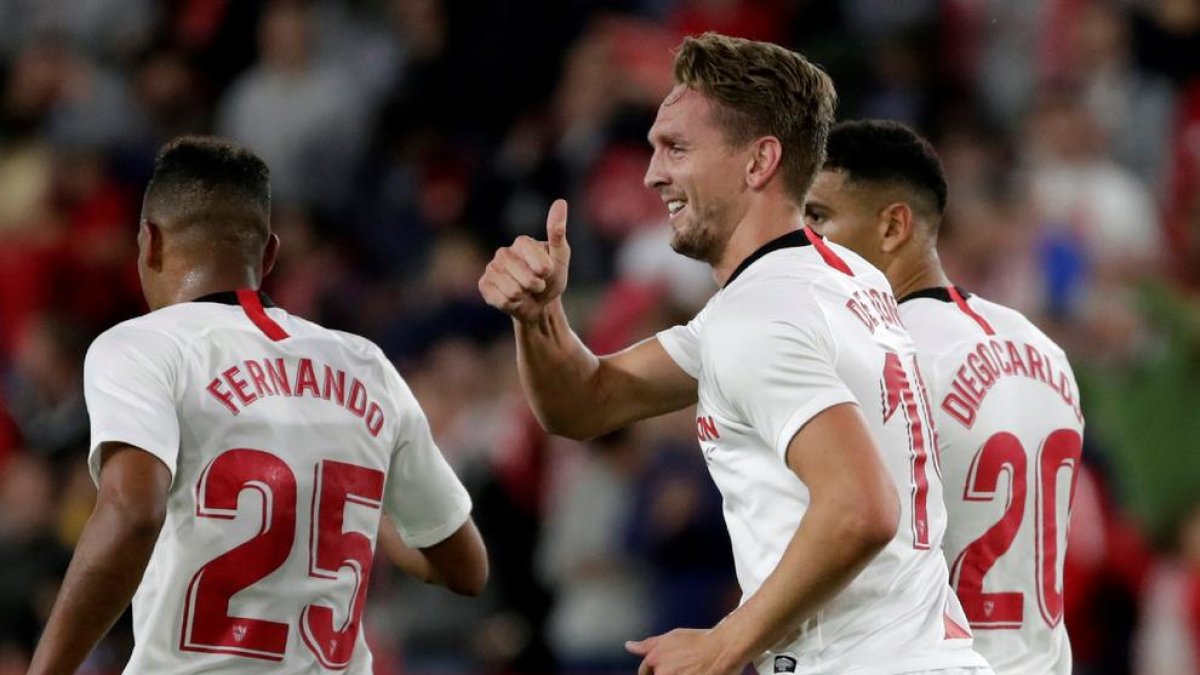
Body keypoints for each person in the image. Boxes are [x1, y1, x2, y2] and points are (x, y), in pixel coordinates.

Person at [479, 33, 990, 675]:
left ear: (758, 162)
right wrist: (539, 316)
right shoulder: (837, 279)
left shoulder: (760, 316)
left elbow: (861, 508)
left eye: (677, 148)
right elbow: (585, 404)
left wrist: (725, 643)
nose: (652, 174)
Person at [28, 136, 487, 675]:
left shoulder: (142, 346)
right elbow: (466, 568)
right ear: (269, 255)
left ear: (148, 242)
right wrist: (358, 505)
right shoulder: (367, 365)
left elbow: (132, 512)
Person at [805, 119, 1086, 675]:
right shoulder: (1044, 350)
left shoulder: (879, 357)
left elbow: (850, 536)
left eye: (818, 217)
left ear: (892, 227)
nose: (803, 242)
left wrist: (730, 640)